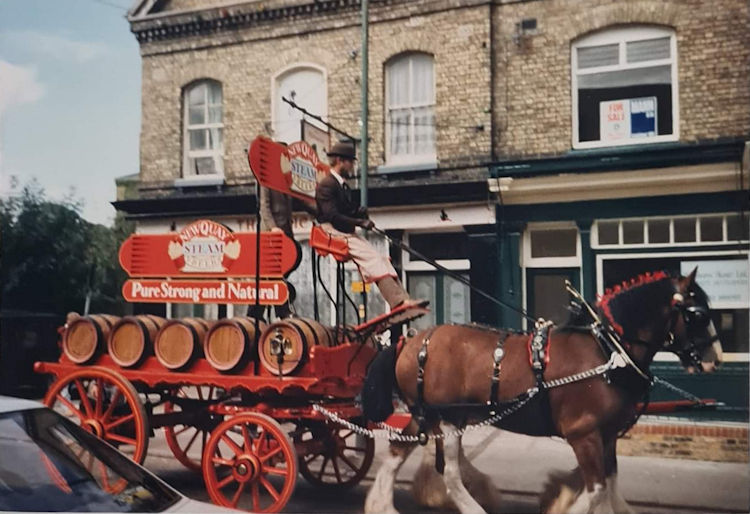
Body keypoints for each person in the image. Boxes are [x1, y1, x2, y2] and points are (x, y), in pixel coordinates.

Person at [316, 141, 426, 317]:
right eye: (350, 162)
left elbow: (345, 210)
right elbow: (332, 215)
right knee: (372, 258)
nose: (352, 166)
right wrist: (360, 223)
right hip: (331, 231)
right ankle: (398, 302)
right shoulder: (327, 184)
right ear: (339, 160)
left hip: (343, 230)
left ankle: (403, 299)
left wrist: (359, 212)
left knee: (382, 258)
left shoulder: (342, 185)